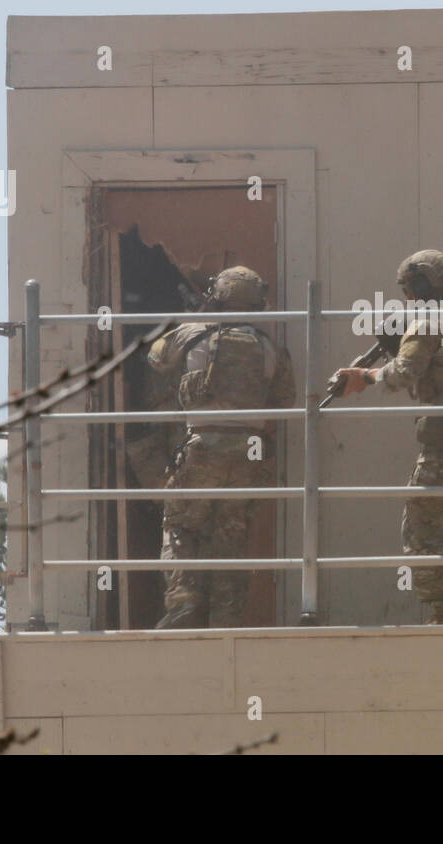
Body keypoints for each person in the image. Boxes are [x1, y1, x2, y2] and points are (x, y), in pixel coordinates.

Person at [334, 249, 443, 624]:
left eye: (407, 290)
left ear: (418, 284)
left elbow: (405, 372)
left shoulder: (431, 319)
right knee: (439, 527)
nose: (407, 299)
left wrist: (364, 378)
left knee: (418, 532)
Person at [147, 266, 295, 629]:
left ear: (217, 297)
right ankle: (227, 618)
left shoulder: (192, 334)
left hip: (202, 447)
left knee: (181, 525)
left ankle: (184, 604)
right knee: (232, 536)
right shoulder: (270, 348)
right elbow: (285, 398)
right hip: (248, 455)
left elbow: (155, 358)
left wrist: (194, 318)